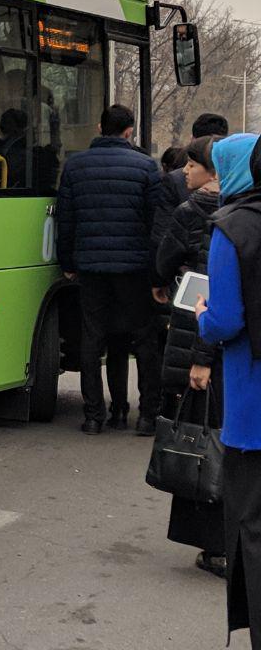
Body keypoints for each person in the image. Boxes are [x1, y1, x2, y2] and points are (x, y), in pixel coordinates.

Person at [55, 104, 162, 435]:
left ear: (100, 127)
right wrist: (156, 271)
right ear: (129, 132)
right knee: (144, 339)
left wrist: (68, 263)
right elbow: (156, 224)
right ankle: (147, 416)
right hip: (135, 268)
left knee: (92, 336)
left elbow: (66, 219)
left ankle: (93, 416)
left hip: (91, 267)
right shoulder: (146, 166)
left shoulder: (75, 166)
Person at [195, 133, 261, 643]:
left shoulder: (232, 229)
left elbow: (226, 319)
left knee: (253, 526)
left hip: (252, 405)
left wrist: (202, 315)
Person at [152, 135, 225, 576]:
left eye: (192, 165)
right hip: (222, 344)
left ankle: (214, 540)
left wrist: (201, 356)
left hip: (197, 330)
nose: (185, 171)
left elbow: (167, 258)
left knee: (201, 427)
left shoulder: (195, 210)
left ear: (212, 170)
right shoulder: (245, 208)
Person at [153, 112, 230, 247]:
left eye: (192, 164)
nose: (186, 170)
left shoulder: (175, 181)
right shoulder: (238, 186)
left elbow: (162, 234)